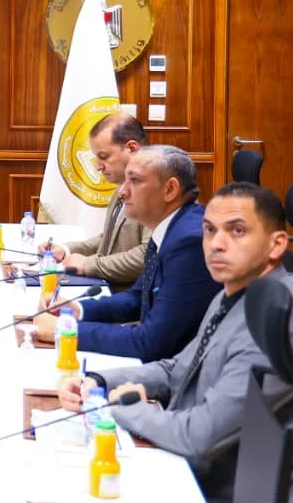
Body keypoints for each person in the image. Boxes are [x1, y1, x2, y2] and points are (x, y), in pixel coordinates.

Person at [57, 182, 293, 503]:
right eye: (210, 230)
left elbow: (198, 436)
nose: (216, 244)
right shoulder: (239, 290)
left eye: (237, 231)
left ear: (276, 245)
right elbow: (178, 369)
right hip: (192, 464)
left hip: (221, 496)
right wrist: (98, 382)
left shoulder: (272, 323)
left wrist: (119, 407)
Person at [34, 145, 220, 361]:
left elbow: (152, 342)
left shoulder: (190, 243)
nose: (123, 191)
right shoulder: (171, 226)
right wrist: (78, 309)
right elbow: (138, 297)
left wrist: (67, 330)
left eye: (135, 181)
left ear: (170, 189)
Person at [43, 112, 149, 286]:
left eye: (103, 156)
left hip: (128, 295)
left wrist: (88, 265)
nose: (97, 166)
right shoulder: (122, 185)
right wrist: (66, 250)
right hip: (106, 286)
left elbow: (146, 255)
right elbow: (109, 240)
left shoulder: (155, 191)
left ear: (132, 148)